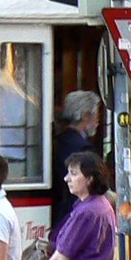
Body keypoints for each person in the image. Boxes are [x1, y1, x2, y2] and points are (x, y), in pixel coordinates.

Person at [52, 90, 101, 237]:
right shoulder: (82, 148)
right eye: (96, 114)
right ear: (85, 115)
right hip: (74, 214)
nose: (98, 120)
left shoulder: (60, 141)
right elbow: (93, 187)